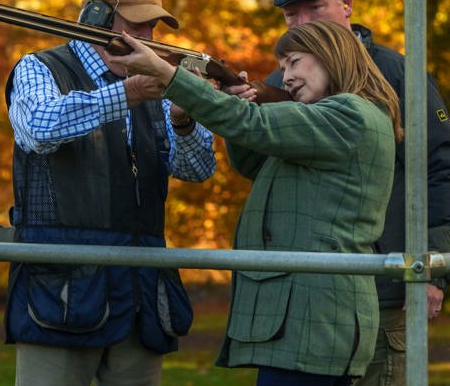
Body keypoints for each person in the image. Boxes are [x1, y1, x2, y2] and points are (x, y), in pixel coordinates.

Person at [109, 20, 403, 385]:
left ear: (331, 55)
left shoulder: (348, 114)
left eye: (295, 62)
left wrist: (168, 76)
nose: (287, 77)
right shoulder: (337, 117)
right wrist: (227, 102)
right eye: (283, 67)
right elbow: (251, 159)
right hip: (307, 317)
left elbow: (252, 125)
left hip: (313, 316)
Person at [238, 0, 450, 386]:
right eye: (292, 15)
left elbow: (443, 170)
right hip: (304, 296)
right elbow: (252, 166)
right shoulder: (282, 79)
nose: (303, 22)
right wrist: (244, 109)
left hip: (385, 286)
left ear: (347, 3)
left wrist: (436, 268)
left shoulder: (398, 73)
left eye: (315, 9)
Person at [3, 0, 216, 386]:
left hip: (140, 296)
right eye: (137, 26)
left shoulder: (161, 84)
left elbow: (197, 169)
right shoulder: (39, 67)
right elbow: (40, 128)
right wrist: (129, 93)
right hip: (60, 294)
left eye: (152, 27)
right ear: (97, 21)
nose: (149, 38)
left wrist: (185, 119)